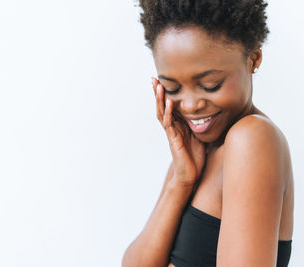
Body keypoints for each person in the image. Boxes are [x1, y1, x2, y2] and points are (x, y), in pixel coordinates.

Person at [122, 0, 294, 266]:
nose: (190, 105)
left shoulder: (252, 138)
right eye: (172, 87)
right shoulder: (196, 150)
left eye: (210, 85)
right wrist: (181, 182)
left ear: (253, 59)